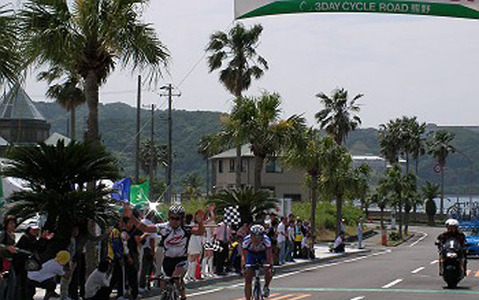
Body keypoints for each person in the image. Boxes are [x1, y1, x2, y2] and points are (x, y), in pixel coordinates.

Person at [124, 204, 205, 300]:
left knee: (176, 277)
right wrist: (131, 217)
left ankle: (182, 296)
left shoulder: (186, 229)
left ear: (182, 219)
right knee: (165, 285)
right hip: (167, 260)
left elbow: (200, 232)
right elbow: (145, 228)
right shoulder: (163, 227)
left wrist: (200, 223)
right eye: (172, 218)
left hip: (181, 260)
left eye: (177, 219)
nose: (174, 221)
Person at [241, 224, 273, 300]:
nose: (256, 239)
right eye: (254, 236)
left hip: (262, 255)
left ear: (262, 236)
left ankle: (266, 286)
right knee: (248, 278)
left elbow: (269, 255)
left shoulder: (267, 241)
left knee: (268, 271)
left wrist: (269, 265)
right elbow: (244, 257)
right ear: (250, 235)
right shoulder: (246, 241)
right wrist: (244, 267)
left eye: (259, 236)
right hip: (251, 255)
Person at [0, 215, 17, 300]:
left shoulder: (13, 235)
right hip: (2, 264)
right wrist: (7, 247)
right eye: (10, 223)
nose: (13, 225)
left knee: (12, 285)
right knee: (3, 286)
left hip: (9, 263)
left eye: (14, 223)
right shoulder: (3, 234)